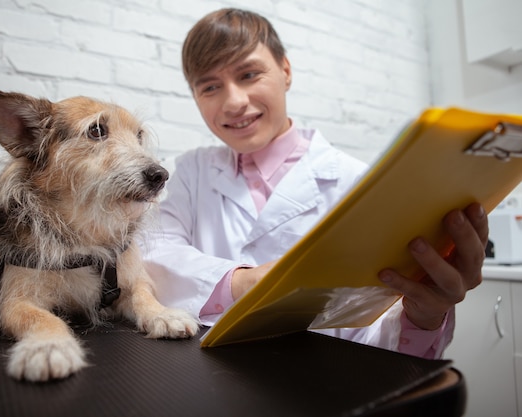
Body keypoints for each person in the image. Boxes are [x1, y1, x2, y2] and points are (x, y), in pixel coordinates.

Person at [141, 8, 487, 359]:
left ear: (286, 71)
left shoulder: (355, 182)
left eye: (248, 74)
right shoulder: (192, 171)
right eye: (210, 86)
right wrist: (242, 283)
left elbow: (377, 337)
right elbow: (151, 253)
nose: (234, 102)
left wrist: (424, 316)